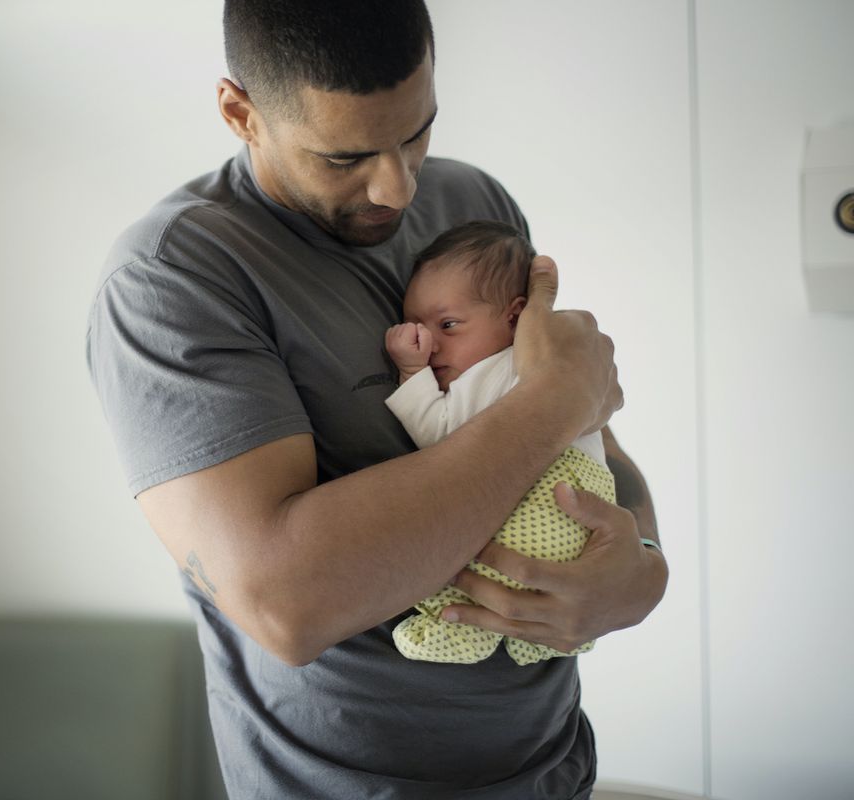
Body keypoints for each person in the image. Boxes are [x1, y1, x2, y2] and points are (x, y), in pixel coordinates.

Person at [86, 1, 667, 797]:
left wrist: (643, 567)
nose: (396, 185)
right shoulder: (172, 279)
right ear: (240, 113)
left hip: (556, 768)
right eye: (345, 156)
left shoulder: (476, 207)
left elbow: (590, 438)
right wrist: (550, 405)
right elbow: (286, 605)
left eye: (417, 132)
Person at [383, 220, 616, 667]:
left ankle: (455, 631)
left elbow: (436, 433)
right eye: (417, 327)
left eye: (448, 325)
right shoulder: (557, 360)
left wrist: (412, 373)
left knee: (460, 576)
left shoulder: (486, 374)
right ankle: (536, 642)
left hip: (542, 507)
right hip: (585, 513)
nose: (429, 343)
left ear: (515, 316)